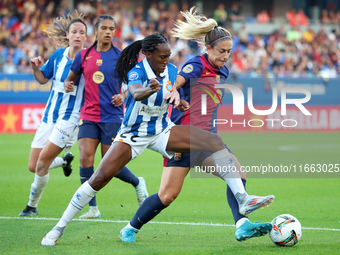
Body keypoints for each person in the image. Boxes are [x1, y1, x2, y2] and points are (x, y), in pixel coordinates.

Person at [41, 32, 274, 246]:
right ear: (149, 54)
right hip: (133, 136)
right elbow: (135, 92)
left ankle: (242, 200)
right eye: (162, 56)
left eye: (168, 56)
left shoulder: (172, 70)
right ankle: (59, 228)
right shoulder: (137, 71)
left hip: (163, 131)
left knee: (214, 141)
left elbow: (174, 94)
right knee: (99, 179)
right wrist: (149, 90)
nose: (166, 60)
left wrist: (179, 101)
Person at [119, 7, 274, 243]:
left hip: (207, 138)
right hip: (186, 138)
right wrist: (172, 91)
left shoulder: (222, 69)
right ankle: (130, 228)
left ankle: (242, 224)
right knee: (167, 195)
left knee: (237, 173)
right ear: (208, 48)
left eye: (229, 52)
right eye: (221, 51)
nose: (225, 56)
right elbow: (180, 78)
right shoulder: (197, 64)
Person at [63, 14, 148, 219]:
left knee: (111, 165)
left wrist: (123, 94)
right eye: (104, 28)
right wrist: (68, 84)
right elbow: (71, 78)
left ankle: (138, 182)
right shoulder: (83, 55)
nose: (108, 32)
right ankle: (92, 208)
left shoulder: (121, 57)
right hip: (88, 114)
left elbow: (135, 83)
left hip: (112, 116)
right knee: (85, 158)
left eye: (112, 29)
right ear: (97, 31)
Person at [19, 12, 87, 216]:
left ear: (85, 37)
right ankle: (64, 161)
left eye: (81, 32)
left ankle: (31, 206)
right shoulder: (58, 56)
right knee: (34, 166)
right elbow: (42, 79)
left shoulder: (89, 60)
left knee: (41, 163)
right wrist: (35, 68)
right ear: (68, 34)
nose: (77, 35)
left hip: (70, 120)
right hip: (49, 117)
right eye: (74, 31)